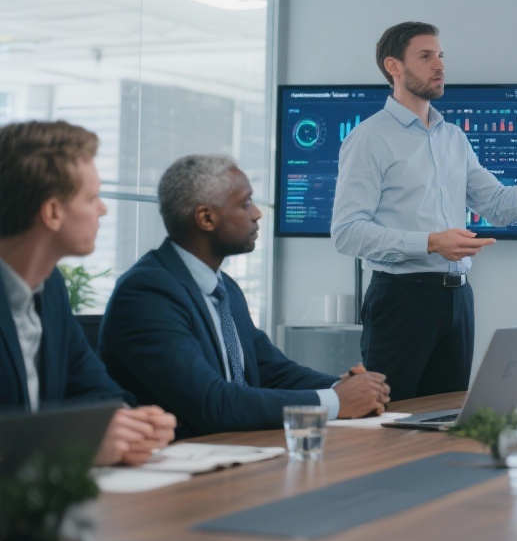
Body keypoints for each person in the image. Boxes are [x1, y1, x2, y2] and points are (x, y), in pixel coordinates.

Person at [332, 22, 517, 401]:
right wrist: (431, 243)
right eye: (425, 56)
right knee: (391, 421)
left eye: (440, 56)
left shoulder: (453, 137)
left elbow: (498, 206)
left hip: (456, 300)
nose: (439, 65)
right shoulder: (368, 139)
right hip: (401, 300)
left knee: (446, 417)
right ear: (394, 66)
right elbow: (348, 232)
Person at [100, 155, 391, 438]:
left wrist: (349, 387)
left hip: (236, 451)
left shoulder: (224, 287)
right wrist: (336, 402)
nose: (257, 213)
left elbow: (271, 370)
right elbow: (212, 402)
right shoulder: (147, 294)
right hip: (181, 465)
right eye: (245, 203)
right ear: (206, 218)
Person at [0, 120, 175, 465]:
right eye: (92, 197)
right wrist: (78, 442)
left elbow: (97, 388)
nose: (103, 209)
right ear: (52, 212)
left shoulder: (50, 289)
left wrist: (126, 424)